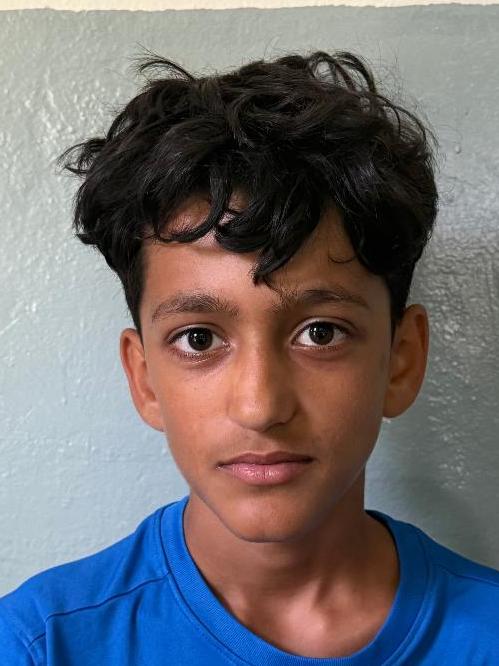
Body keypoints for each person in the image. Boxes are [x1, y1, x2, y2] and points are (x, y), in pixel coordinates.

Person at [1, 48, 498, 665]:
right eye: (199, 339)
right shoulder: (40, 646)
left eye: (321, 333)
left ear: (401, 360)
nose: (261, 406)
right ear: (144, 378)